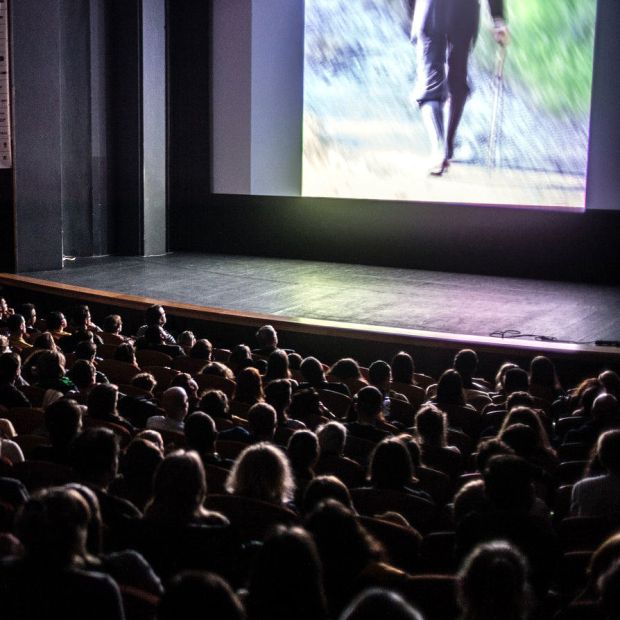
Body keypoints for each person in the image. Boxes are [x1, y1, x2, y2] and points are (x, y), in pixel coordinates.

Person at [409, 0, 509, 175]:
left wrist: (413, 12)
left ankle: (439, 149)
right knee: (458, 78)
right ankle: (447, 146)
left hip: (430, 10)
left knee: (430, 83)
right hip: (465, 13)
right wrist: (497, 19)